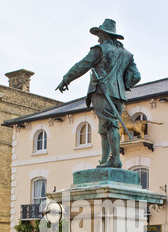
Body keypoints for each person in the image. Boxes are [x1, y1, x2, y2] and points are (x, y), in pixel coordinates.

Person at [56, 18, 141, 168]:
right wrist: (121, 84)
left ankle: (115, 160)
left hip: (102, 92)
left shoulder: (100, 49)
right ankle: (104, 160)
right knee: (105, 126)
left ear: (105, 35)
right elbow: (136, 76)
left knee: (110, 125)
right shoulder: (127, 55)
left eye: (100, 34)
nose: (98, 38)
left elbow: (82, 65)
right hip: (119, 95)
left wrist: (66, 79)